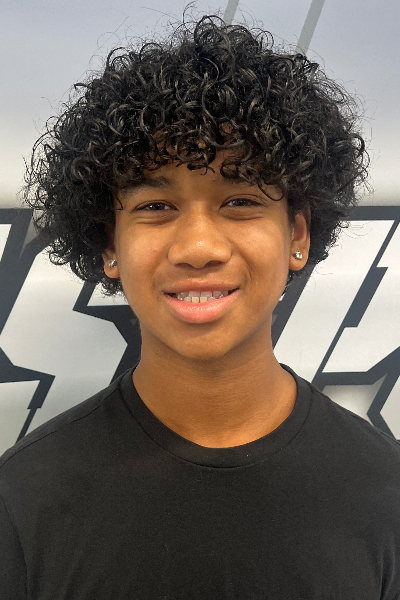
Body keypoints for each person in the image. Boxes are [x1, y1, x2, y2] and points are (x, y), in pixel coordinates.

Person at [1, 14, 399, 600]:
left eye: (239, 200)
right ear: (110, 245)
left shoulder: (385, 491)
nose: (198, 248)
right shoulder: (23, 499)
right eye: (156, 207)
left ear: (297, 234)